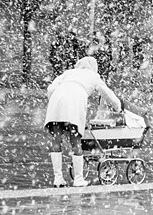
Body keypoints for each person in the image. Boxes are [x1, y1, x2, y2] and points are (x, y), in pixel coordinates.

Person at [44, 56, 122, 187]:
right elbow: (107, 94)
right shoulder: (93, 76)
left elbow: (50, 89)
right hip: (75, 99)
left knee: (56, 139)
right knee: (75, 139)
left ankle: (58, 178)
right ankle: (78, 179)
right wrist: (118, 107)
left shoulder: (68, 73)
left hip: (57, 99)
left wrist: (54, 100)